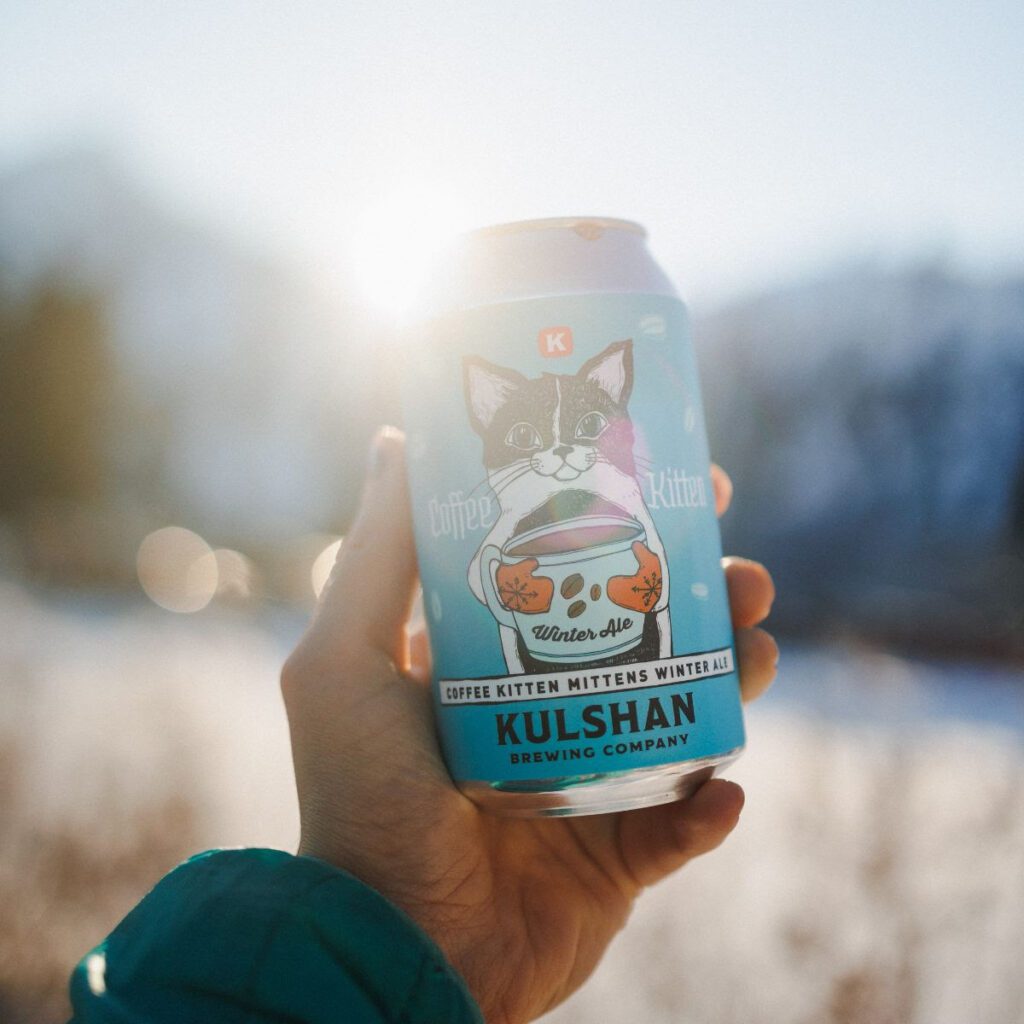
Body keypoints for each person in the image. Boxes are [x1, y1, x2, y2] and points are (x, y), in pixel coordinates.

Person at [69, 429, 777, 1024]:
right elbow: (491, 576)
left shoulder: (616, 506)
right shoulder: (503, 518)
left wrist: (410, 948)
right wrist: (409, 929)